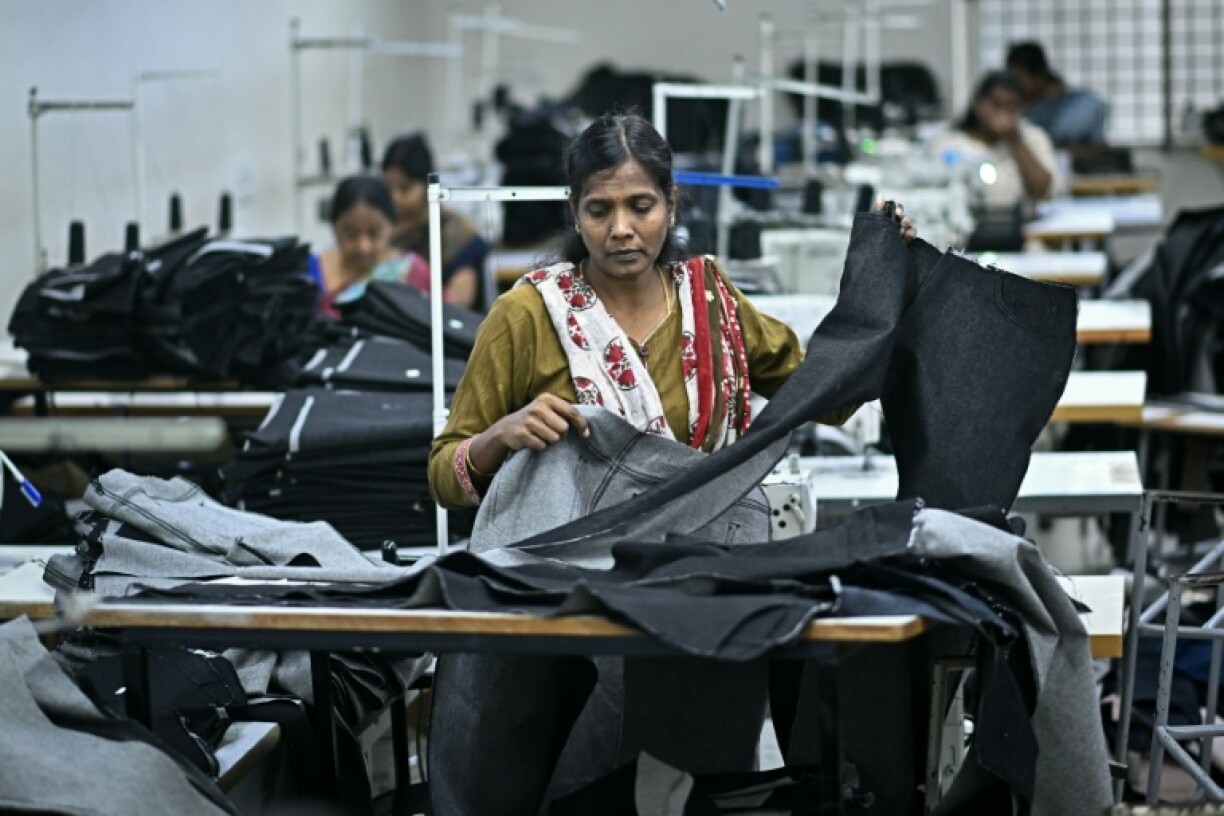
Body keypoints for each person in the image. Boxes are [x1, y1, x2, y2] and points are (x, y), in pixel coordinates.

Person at [428, 111, 914, 509]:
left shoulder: (712, 303)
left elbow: (830, 395)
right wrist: (498, 436)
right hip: (572, 574)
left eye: (642, 206)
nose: (621, 228)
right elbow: (443, 477)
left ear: (672, 206)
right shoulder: (527, 315)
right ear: (575, 212)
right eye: (600, 211)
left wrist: (888, 277)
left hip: (707, 562)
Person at [381, 133, 490, 310]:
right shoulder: (379, 231)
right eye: (388, 188)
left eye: (405, 188)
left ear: (426, 186)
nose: (395, 197)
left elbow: (457, 307)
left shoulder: (454, 233)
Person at [934, 71, 1064, 211]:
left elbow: (1044, 190)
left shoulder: (1032, 138)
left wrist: (1015, 140)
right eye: (996, 104)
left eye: (1011, 106)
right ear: (978, 105)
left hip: (1020, 227)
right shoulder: (949, 144)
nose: (1003, 113)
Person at [308, 175, 429, 319]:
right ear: (334, 227)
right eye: (351, 234)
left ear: (391, 226)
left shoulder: (413, 273)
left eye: (374, 233)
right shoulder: (310, 272)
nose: (363, 247)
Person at [1006, 41, 1109, 156]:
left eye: (1017, 77)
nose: (1014, 85)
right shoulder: (1018, 109)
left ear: (1038, 74)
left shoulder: (1083, 105)